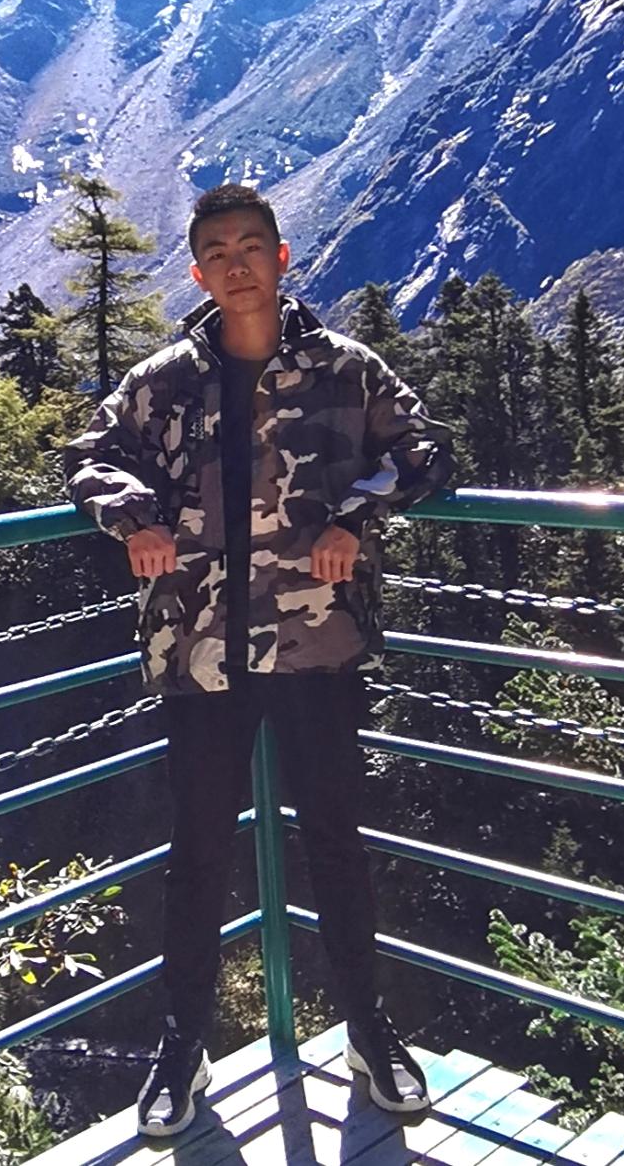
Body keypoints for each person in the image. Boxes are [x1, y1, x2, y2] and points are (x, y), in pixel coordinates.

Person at [64, 183, 455, 1137]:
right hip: (199, 649)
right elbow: (87, 454)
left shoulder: (346, 370)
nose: (237, 264)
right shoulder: (163, 380)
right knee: (196, 852)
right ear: (199, 273)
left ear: (281, 258)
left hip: (317, 643)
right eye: (217, 252)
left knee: (338, 842)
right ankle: (182, 1046)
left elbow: (425, 451)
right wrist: (132, 514)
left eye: (252, 246)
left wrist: (356, 517)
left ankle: (368, 1031)